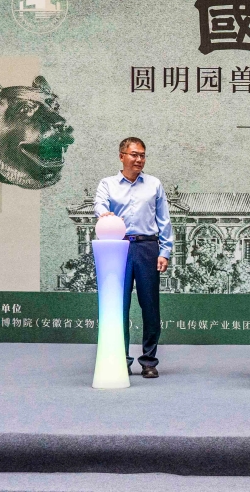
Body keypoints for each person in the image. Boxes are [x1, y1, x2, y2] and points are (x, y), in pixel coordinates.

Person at [94, 137, 173, 379]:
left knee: (150, 307)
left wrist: (164, 251)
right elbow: (99, 205)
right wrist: (106, 216)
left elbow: (164, 220)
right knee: (119, 306)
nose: (139, 159)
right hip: (119, 248)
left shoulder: (154, 184)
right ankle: (122, 359)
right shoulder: (107, 184)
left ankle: (149, 361)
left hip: (147, 247)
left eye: (142, 155)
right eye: (134, 154)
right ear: (122, 156)